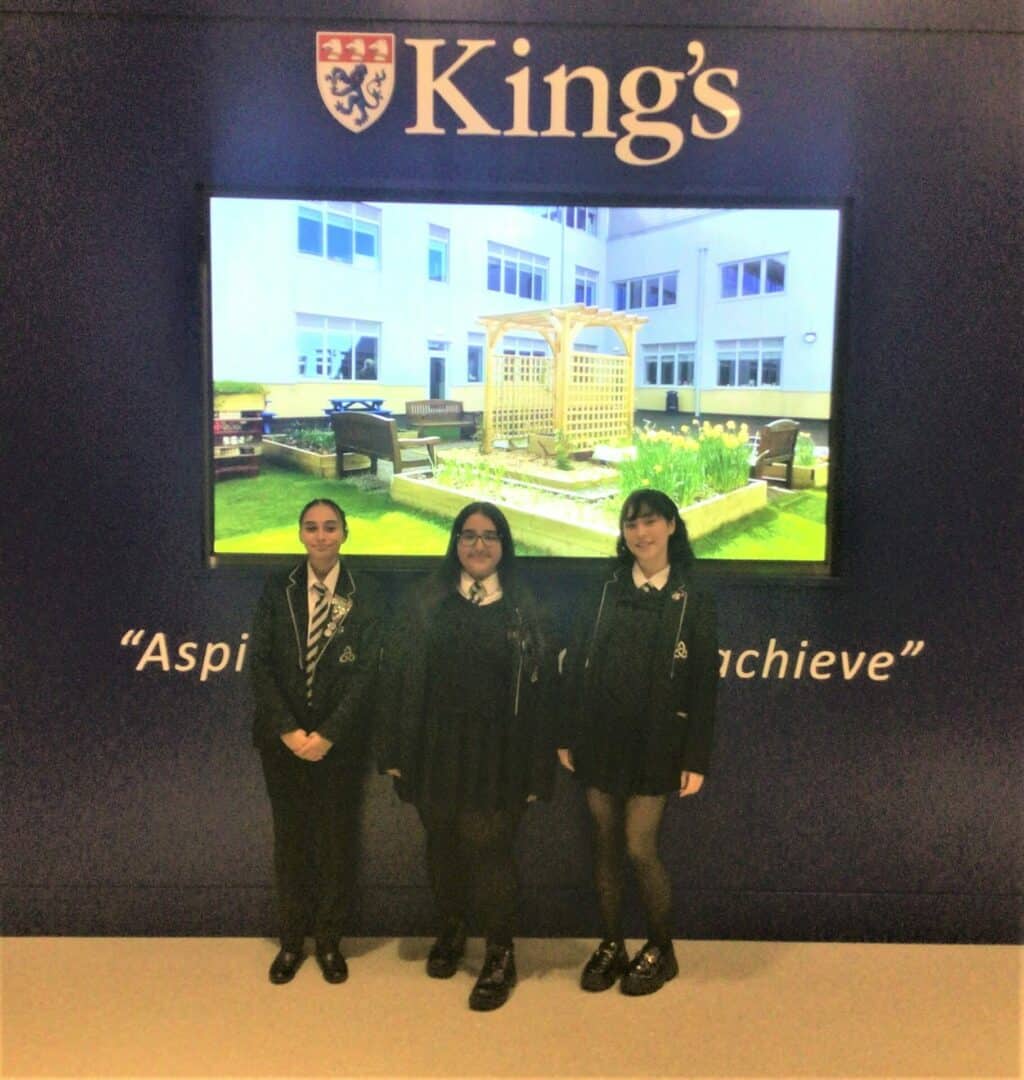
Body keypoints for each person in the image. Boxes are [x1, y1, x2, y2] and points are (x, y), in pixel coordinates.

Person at [377, 502, 554, 1011]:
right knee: (442, 843)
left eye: (490, 535)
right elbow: (396, 681)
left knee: (490, 849)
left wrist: (538, 768)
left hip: (501, 756)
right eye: (469, 535)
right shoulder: (422, 602)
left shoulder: (527, 607)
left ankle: (500, 954)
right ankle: (452, 931)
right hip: (435, 749)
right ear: (455, 542)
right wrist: (393, 750)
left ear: (505, 545)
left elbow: (544, 696)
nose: (479, 545)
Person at [558, 488, 718, 995]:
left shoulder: (695, 596)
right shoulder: (603, 589)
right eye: (631, 524)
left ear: (672, 526)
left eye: (650, 522)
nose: (640, 534)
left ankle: (661, 948)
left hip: (656, 744)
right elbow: (576, 663)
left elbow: (704, 685)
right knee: (603, 847)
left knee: (638, 847)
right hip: (600, 737)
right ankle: (611, 944)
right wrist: (567, 732)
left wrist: (695, 755)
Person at [250, 499, 382, 985]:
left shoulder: (364, 591)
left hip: (337, 744)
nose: (321, 536)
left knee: (334, 841)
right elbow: (259, 664)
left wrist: (327, 734)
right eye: (312, 528)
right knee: (291, 842)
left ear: (345, 532)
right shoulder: (277, 588)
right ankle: (291, 941)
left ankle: (328, 942)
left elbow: (368, 672)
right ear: (300, 534)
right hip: (281, 743)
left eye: (330, 527)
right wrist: (289, 731)